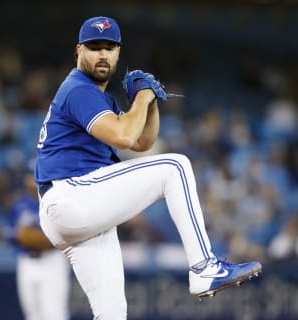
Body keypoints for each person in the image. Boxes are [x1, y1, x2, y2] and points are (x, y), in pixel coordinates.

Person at [34, 16, 262, 319]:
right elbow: (125, 135)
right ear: (78, 51)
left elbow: (140, 142)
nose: (102, 54)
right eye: (94, 47)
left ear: (118, 53)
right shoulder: (78, 88)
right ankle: (204, 267)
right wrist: (141, 95)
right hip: (71, 196)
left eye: (109, 47)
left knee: (112, 313)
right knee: (175, 166)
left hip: (76, 212)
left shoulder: (98, 98)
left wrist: (150, 102)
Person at [7, 172, 70, 320]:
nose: (32, 180)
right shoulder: (19, 205)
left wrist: (37, 239)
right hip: (27, 261)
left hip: (52, 261)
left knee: (55, 314)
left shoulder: (58, 202)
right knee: (32, 315)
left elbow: (63, 235)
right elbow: (9, 234)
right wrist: (25, 237)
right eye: (30, 176)